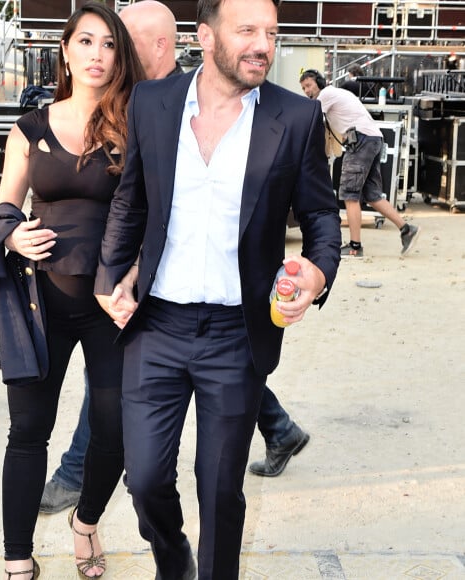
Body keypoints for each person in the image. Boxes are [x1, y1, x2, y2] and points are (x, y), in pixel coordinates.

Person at [94, 0, 342, 577]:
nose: (263, 45)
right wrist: (112, 275)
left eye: (272, 34)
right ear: (206, 36)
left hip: (237, 333)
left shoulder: (296, 117)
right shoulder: (153, 103)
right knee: (147, 479)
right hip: (155, 325)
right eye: (247, 30)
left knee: (220, 490)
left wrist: (316, 270)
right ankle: (174, 558)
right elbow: (131, 199)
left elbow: (322, 217)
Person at [39, 0, 310, 516]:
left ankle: (77, 469)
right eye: (99, 41)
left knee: (204, 461)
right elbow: (134, 198)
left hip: (201, 299)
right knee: (144, 429)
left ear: (160, 45)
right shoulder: (140, 102)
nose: (109, 53)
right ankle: (277, 428)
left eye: (122, 41)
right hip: (141, 291)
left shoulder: (220, 106)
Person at [0, 3, 145, 578]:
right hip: (40, 303)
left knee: (115, 430)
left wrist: (131, 277)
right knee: (27, 431)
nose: (97, 55)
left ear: (119, 56)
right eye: (86, 42)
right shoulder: (30, 129)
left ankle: (85, 523)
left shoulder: (133, 126)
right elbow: (6, 207)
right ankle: (17, 560)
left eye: (108, 45)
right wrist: (11, 239)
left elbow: (149, 214)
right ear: (66, 50)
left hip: (112, 303)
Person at [299, 69, 420, 258]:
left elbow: (308, 119)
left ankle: (355, 247)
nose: (307, 90)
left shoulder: (326, 94)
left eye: (309, 85)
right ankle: (407, 229)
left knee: (349, 194)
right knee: (372, 195)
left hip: (361, 141)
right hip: (372, 139)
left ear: (320, 83)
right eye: (303, 88)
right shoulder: (336, 94)